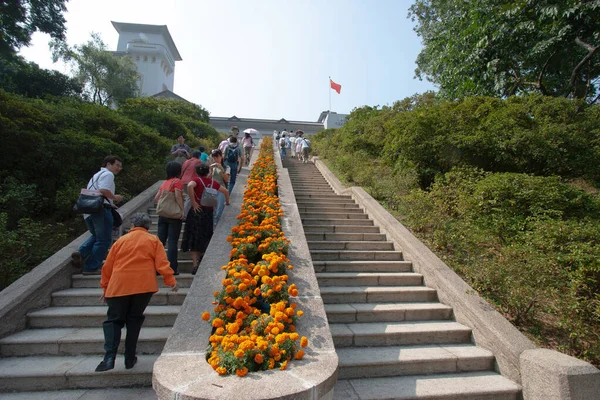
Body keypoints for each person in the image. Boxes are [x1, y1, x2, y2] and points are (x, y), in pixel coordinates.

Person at [95, 213, 178, 372]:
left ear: (133, 225)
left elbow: (107, 267)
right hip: (143, 286)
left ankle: (109, 357)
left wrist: (105, 288)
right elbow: (162, 263)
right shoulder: (153, 240)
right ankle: (129, 358)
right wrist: (171, 281)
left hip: (118, 285)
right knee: (134, 320)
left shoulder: (120, 241)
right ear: (148, 226)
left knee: (113, 321)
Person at [71, 156, 123, 275]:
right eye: (117, 165)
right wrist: (115, 198)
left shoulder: (96, 175)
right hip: (101, 210)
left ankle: (81, 252)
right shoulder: (109, 175)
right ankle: (92, 267)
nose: (119, 168)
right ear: (108, 164)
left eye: (120, 166)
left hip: (89, 210)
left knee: (97, 235)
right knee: (104, 239)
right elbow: (104, 190)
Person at [182, 164, 230, 274]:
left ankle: (195, 264)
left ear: (197, 172)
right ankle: (203, 260)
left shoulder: (196, 180)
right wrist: (227, 202)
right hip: (208, 213)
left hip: (196, 212)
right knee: (205, 236)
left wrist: (193, 203)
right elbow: (226, 191)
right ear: (208, 172)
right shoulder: (212, 182)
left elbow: (189, 186)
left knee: (194, 237)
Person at [154, 162, 185, 275]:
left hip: (162, 216)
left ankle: (157, 268)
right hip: (174, 216)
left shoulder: (164, 183)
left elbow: (156, 198)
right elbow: (178, 196)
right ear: (178, 171)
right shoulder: (177, 182)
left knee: (160, 242)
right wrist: (182, 210)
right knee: (172, 242)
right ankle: (172, 268)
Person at [209, 149, 230, 227]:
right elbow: (209, 178)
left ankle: (217, 226)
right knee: (212, 211)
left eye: (217, 157)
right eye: (214, 158)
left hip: (221, 190)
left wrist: (221, 169)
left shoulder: (226, 167)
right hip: (212, 189)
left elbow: (226, 179)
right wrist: (210, 170)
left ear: (221, 156)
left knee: (219, 211)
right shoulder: (213, 166)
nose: (215, 159)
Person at [181, 151, 202, 216]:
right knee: (190, 197)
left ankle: (188, 213)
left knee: (189, 197)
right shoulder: (198, 161)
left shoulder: (186, 161)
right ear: (199, 155)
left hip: (184, 181)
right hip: (192, 182)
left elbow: (182, 171)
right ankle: (184, 214)